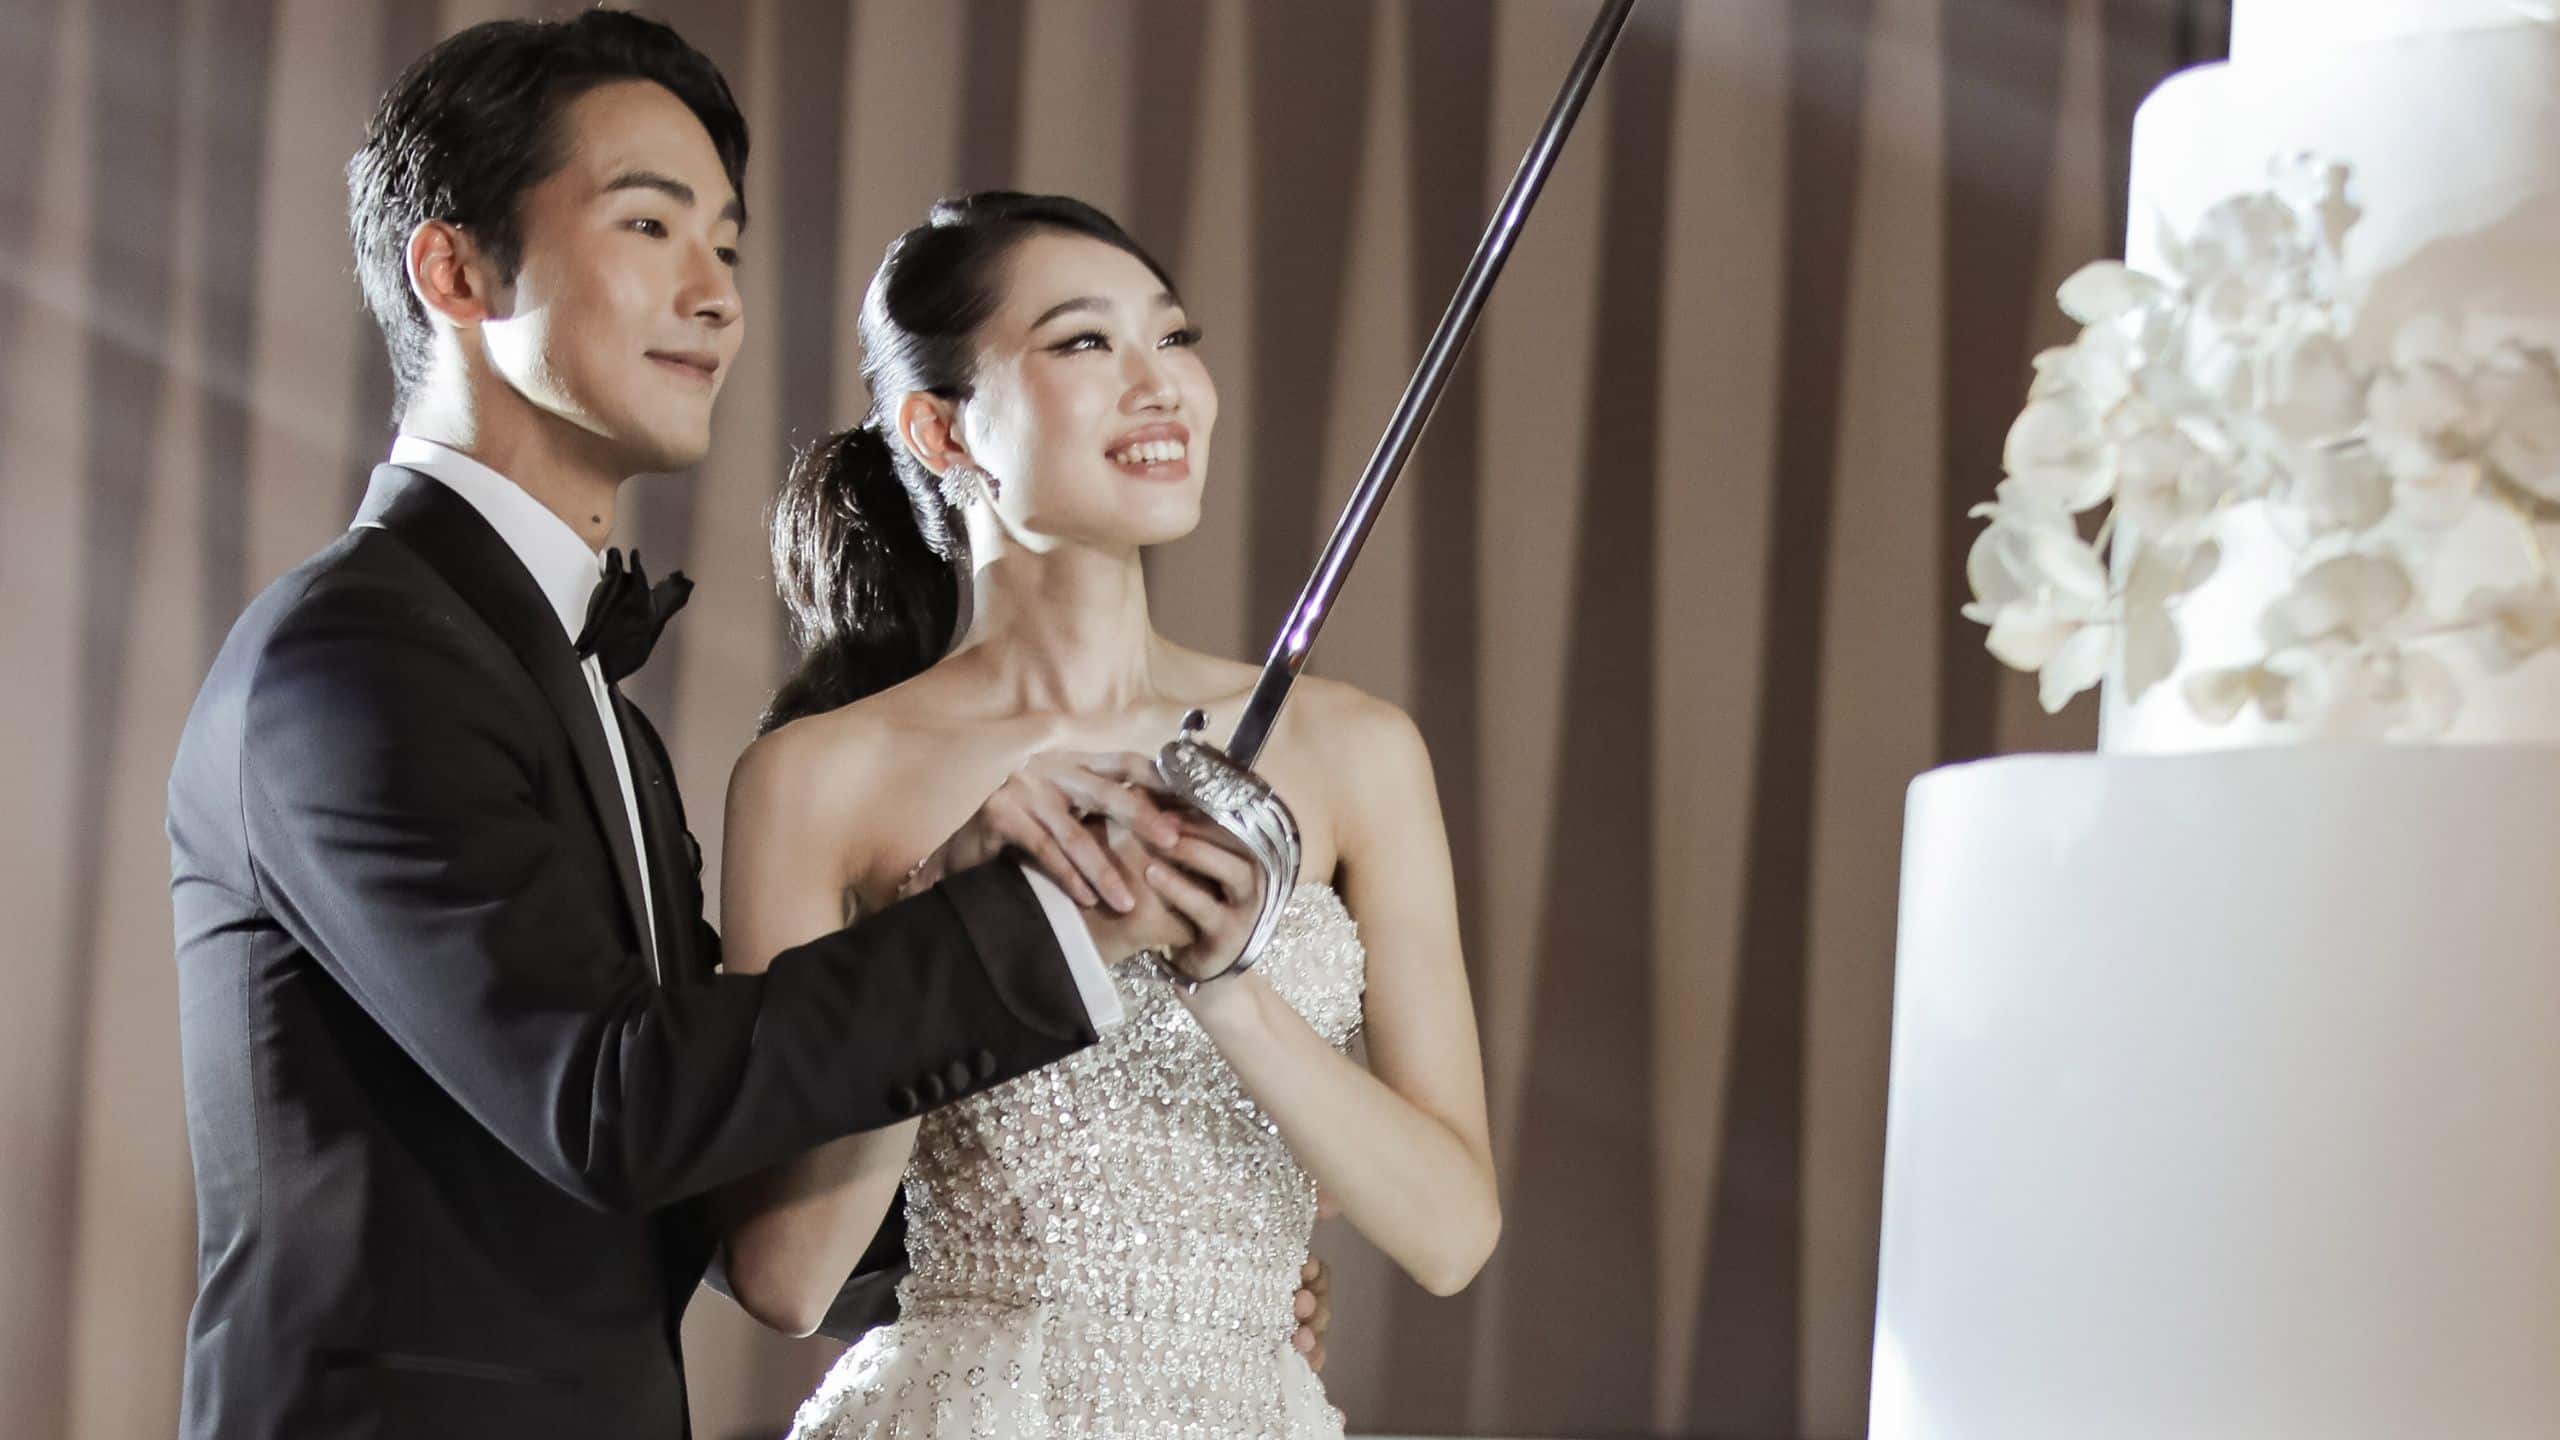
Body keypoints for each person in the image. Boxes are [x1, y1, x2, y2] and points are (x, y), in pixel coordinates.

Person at [165, 18, 1257, 1437]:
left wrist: (1157, 1276)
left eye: (727, 247)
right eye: (649, 224)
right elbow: (609, 1105)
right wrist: (1020, 909)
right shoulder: (356, 659)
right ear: (456, 272)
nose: (717, 297)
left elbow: (715, 1146)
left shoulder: (569, 689)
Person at [718, 192, 1501, 1439]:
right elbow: (786, 1278)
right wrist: (948, 931)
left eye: (1174, 338)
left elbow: (1452, 1234)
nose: (1162, 385)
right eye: (1087, 341)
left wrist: (1227, 983)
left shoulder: (1355, 751)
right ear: (941, 428)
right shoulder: (818, 777)